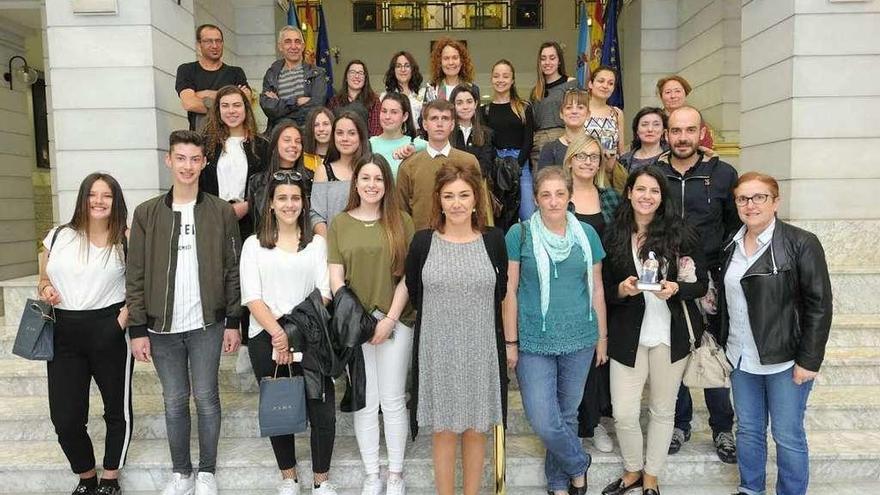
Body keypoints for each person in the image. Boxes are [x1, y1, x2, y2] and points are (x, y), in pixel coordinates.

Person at [126, 130, 242, 495]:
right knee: (174, 400)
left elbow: (232, 268)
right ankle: (182, 473)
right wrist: (137, 328)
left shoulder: (221, 212)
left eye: (195, 159)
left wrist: (234, 321)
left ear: (203, 163)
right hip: (161, 328)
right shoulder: (146, 214)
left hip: (208, 323)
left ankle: (206, 472)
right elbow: (136, 273)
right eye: (181, 158)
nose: (188, 166)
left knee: (207, 397)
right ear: (169, 160)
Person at [720, 172, 832, 495]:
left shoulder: (801, 243)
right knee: (749, 431)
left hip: (786, 360)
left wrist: (809, 360)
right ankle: (750, 488)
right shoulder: (732, 242)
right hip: (740, 357)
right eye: (743, 198)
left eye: (759, 197)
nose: (750, 205)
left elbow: (819, 305)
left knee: (787, 434)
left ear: (776, 202)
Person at [600, 166, 708, 495]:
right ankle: (632, 469)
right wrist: (621, 289)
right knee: (624, 412)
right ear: (629, 192)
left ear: (662, 198)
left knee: (663, 411)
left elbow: (701, 284)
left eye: (654, 191)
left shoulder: (681, 233)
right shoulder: (613, 233)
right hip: (626, 336)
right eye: (641, 189)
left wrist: (677, 288)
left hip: (669, 335)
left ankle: (651, 476)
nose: (647, 197)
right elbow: (601, 289)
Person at [405, 162, 508, 495]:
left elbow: (501, 292)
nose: (457, 203)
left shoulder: (493, 241)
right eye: (449, 196)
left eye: (464, 195)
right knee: (444, 429)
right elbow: (415, 291)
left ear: (477, 199)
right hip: (438, 350)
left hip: (481, 349)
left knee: (477, 429)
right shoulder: (423, 242)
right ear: (439, 200)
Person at [503, 166, 607, 495]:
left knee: (567, 414)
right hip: (534, 338)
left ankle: (560, 484)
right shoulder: (519, 234)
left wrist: (602, 337)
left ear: (569, 196)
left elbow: (597, 289)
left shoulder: (587, 235)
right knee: (545, 420)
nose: (553, 201)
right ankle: (579, 463)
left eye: (559, 194)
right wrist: (510, 342)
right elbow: (510, 291)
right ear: (535, 199)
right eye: (545, 195)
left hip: (580, 337)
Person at [240, 171, 338, 495]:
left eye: (295, 198)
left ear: (303, 202)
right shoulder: (253, 245)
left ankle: (322, 481)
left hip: (311, 335)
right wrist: (278, 334)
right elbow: (252, 296)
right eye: (282, 198)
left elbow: (324, 292)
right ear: (270, 203)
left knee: (321, 409)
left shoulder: (317, 244)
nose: (289, 204)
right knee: (279, 406)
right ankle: (289, 478)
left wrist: (292, 332)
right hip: (265, 336)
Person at [37, 173, 131, 495]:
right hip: (64, 331)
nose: (99, 201)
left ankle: (110, 478)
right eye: (93, 194)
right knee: (65, 417)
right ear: (83, 198)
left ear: (115, 201)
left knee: (116, 411)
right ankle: (87, 475)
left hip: (109, 329)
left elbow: (140, 286)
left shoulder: (126, 238)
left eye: (107, 195)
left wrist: (121, 321)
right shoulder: (59, 235)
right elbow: (43, 279)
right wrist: (47, 288)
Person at [327, 154, 415, 495]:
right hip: (355, 325)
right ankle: (371, 474)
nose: (372, 184)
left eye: (378, 179)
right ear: (356, 183)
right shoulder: (339, 223)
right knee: (366, 400)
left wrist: (389, 319)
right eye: (366, 178)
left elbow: (408, 277)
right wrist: (359, 322)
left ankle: (395, 474)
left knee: (392, 399)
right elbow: (336, 279)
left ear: (386, 184)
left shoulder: (401, 221)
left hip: (396, 321)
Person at [657, 105, 739, 464]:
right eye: (676, 131)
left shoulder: (722, 174)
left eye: (690, 130)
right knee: (674, 351)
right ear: (667, 134)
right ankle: (679, 423)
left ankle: (722, 428)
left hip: (712, 282)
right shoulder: (653, 172)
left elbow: (735, 225)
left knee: (712, 349)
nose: (683, 137)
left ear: (701, 132)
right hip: (667, 279)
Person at [558, 135, 621, 452]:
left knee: (600, 357)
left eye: (594, 156)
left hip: (605, 285)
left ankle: (595, 423)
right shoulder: (559, 197)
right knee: (574, 358)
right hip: (568, 288)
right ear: (570, 160)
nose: (587, 161)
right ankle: (575, 423)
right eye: (581, 156)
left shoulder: (610, 197)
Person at [397, 99, 487, 230]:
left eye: (445, 118)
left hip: (462, 238)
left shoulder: (469, 161)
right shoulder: (408, 166)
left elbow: (480, 205)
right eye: (434, 118)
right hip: (421, 241)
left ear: (452, 125)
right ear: (425, 124)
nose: (439, 123)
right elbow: (401, 213)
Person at [482, 59, 535, 224]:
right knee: (499, 215)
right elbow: (486, 143)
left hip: (521, 164)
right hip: (497, 164)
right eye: (496, 76)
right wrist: (496, 165)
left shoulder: (524, 107)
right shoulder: (485, 110)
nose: (501, 80)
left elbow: (528, 140)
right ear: (491, 79)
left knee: (528, 214)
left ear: (512, 80)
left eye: (505, 76)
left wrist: (516, 165)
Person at [175, 24, 250, 132]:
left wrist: (203, 94)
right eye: (209, 41)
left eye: (218, 41)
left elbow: (245, 102)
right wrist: (229, 100)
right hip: (200, 137)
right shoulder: (187, 70)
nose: (215, 45)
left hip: (230, 135)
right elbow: (189, 103)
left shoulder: (236, 72)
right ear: (199, 44)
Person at [310, 112, 371, 236]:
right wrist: (330, 244)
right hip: (333, 246)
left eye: (352, 133)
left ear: (361, 136)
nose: (345, 138)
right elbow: (316, 215)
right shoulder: (323, 171)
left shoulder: (371, 169)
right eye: (339, 133)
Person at [260, 26, 327, 131]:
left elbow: (316, 108)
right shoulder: (271, 74)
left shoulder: (317, 73)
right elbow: (269, 107)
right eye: (288, 42)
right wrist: (297, 102)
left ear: (303, 46)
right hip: (279, 138)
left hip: (307, 136)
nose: (293, 46)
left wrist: (281, 109)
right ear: (280, 47)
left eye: (297, 42)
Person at [246, 121, 305, 231]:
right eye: (287, 140)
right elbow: (256, 221)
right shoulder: (258, 181)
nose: (293, 145)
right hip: (266, 241)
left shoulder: (307, 180)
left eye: (298, 141)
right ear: (274, 144)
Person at [529, 41, 578, 164]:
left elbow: (579, 114)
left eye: (552, 58)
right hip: (539, 144)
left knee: (565, 181)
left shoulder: (571, 83)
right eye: (543, 59)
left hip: (563, 139)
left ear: (559, 61)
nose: (547, 63)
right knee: (542, 181)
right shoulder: (535, 91)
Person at [586, 66, 628, 193]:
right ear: (591, 84)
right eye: (601, 81)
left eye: (610, 83)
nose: (605, 86)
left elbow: (621, 149)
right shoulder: (581, 110)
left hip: (611, 176)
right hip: (587, 173)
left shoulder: (617, 113)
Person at [369, 92, 427, 178]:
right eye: (384, 111)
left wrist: (415, 147)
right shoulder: (369, 144)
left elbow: (439, 148)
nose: (387, 117)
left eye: (394, 112)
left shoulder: (413, 144)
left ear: (405, 116)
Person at [450, 85, 495, 181]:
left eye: (469, 102)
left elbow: (485, 165)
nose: (465, 107)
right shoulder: (447, 132)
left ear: (476, 104)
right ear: (453, 106)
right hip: (450, 184)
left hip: (476, 185)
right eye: (459, 103)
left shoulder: (486, 133)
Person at [656, 75, 714, 149]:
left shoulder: (695, 118)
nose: (673, 96)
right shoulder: (655, 120)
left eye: (677, 91)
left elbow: (706, 146)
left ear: (685, 94)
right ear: (661, 96)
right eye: (668, 92)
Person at [538, 88, 590, 168]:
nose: (574, 111)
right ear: (561, 114)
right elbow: (543, 179)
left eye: (580, 107)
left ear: (588, 114)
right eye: (569, 107)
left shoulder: (595, 146)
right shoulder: (549, 149)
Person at [328, 60, 381, 136]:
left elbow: (375, 130)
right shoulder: (334, 101)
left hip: (366, 145)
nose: (356, 76)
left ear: (365, 78)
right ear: (346, 77)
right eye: (352, 72)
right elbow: (330, 128)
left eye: (360, 73)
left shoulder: (374, 101)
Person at [381, 51, 427, 131]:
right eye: (398, 66)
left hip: (419, 139)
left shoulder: (424, 94)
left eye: (407, 66)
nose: (403, 69)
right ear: (393, 70)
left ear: (412, 69)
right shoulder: (384, 97)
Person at [425, 38, 480, 102]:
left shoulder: (472, 89)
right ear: (439, 62)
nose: (451, 62)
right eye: (446, 58)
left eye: (455, 58)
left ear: (462, 61)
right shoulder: (432, 89)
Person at [618, 107, 668, 173]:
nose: (650, 129)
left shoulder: (670, 157)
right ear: (637, 130)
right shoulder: (624, 160)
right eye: (644, 125)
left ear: (663, 131)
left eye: (656, 124)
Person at [302, 107, 335, 173]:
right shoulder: (302, 160)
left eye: (325, 124)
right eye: (316, 125)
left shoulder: (343, 157)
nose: (321, 129)